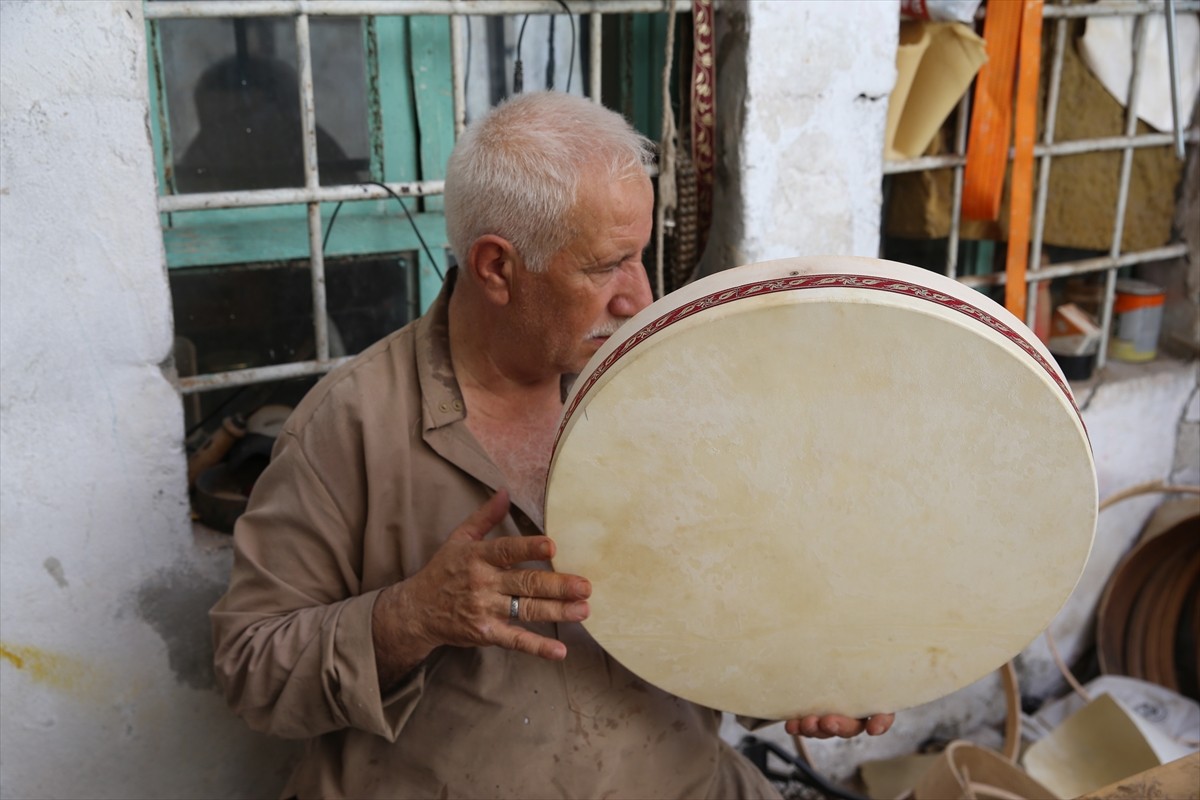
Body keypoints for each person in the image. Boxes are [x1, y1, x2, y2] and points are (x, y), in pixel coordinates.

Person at [211, 91, 893, 799]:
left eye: (641, 255)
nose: (640, 295)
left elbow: (728, 609)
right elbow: (251, 668)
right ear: (497, 268)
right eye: (605, 266)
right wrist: (409, 616)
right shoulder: (348, 427)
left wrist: (806, 676)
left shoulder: (672, 392)